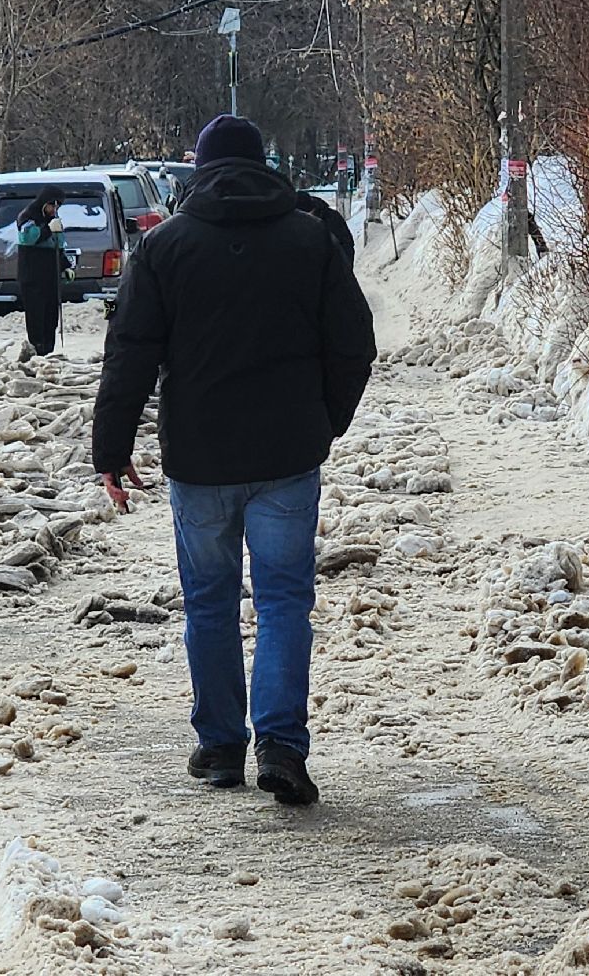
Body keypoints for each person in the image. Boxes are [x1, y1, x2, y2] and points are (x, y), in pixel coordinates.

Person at [92, 115, 376, 806]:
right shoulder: (309, 241)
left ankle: (220, 746)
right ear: (262, 167)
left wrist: (112, 447)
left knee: (210, 603)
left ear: (201, 170)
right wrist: (323, 425)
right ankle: (280, 744)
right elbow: (353, 346)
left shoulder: (164, 249)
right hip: (287, 455)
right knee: (283, 602)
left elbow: (130, 353)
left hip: (199, 459)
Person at [11, 186, 68, 357]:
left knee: (51, 315)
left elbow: (58, 245)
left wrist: (65, 266)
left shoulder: (53, 218)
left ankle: (49, 349)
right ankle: (37, 348)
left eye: (58, 207)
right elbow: (29, 238)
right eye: (52, 206)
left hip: (50, 274)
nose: (54, 210)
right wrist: (48, 229)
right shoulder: (27, 217)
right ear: (44, 203)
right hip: (32, 277)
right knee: (36, 315)